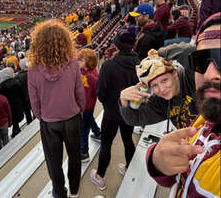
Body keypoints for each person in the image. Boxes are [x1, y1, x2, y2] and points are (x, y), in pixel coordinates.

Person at [146, 12, 221, 198]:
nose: (211, 75)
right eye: (201, 61)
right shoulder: (205, 118)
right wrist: (156, 160)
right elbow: (180, 169)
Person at [28, 20, 85, 198]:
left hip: (49, 121)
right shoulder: (73, 64)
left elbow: (34, 101)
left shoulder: (33, 69)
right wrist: (79, 109)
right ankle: (74, 189)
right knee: (75, 156)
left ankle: (59, 192)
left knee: (53, 161)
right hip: (72, 118)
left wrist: (42, 116)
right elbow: (79, 92)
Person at [90, 27, 139, 190]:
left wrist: (108, 104)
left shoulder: (108, 65)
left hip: (111, 112)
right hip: (129, 111)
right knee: (127, 140)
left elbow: (101, 93)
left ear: (117, 45)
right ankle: (128, 168)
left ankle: (100, 176)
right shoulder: (138, 63)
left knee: (106, 144)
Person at [120, 45, 198, 132]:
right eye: (154, 85)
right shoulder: (161, 101)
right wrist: (123, 100)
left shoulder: (191, 78)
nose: (162, 89)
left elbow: (194, 51)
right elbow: (134, 119)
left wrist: (161, 53)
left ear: (175, 73)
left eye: (164, 80)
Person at [76, 48, 101, 162]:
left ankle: (84, 152)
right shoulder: (81, 70)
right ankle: (98, 133)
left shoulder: (93, 76)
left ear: (89, 62)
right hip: (80, 104)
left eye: (80, 60)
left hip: (87, 105)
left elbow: (98, 91)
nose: (78, 62)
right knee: (89, 119)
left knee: (83, 129)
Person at [0, 67, 24, 138]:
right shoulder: (17, 82)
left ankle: (16, 131)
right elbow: (21, 93)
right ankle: (16, 130)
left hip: (9, 106)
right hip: (18, 104)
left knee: (13, 120)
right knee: (17, 120)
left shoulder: (2, 86)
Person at [0, 83, 12, 152]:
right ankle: (7, 153)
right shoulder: (3, 98)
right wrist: (10, 121)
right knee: (6, 138)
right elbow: (9, 111)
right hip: (4, 123)